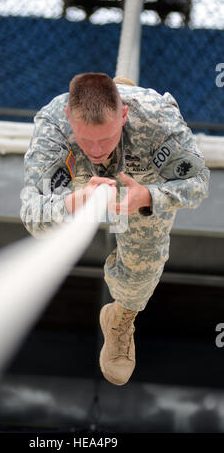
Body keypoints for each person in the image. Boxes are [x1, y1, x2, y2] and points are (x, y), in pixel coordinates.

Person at [20, 73, 210, 386]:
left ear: (122, 114)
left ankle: (121, 318)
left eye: (105, 139)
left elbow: (199, 184)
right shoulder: (54, 125)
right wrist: (74, 202)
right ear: (69, 117)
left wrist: (148, 197)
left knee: (141, 269)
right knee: (49, 227)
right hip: (81, 179)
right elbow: (32, 214)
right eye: (87, 139)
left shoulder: (156, 119)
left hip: (142, 172)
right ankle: (112, 109)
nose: (96, 149)